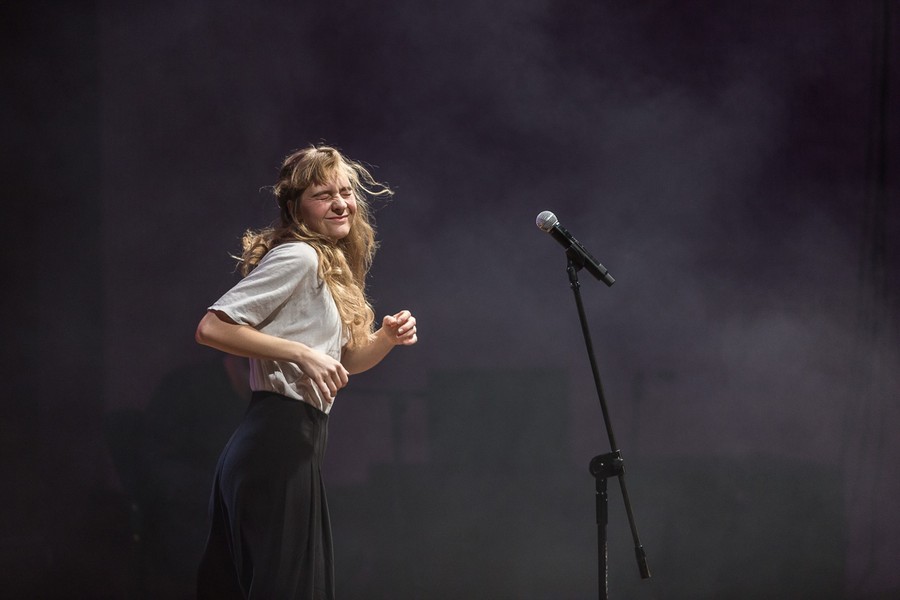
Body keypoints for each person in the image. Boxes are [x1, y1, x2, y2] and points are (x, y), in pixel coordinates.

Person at [194, 145, 417, 599]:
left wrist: (384, 340)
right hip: (274, 440)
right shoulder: (299, 257)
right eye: (323, 194)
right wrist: (298, 353)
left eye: (346, 192)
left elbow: (345, 363)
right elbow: (211, 327)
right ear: (296, 207)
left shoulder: (330, 266)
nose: (341, 203)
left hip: (297, 444)